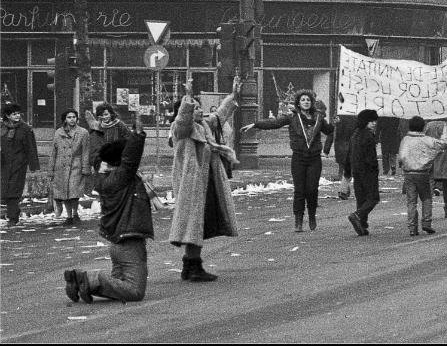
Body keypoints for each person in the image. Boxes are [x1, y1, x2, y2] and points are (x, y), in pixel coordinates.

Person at [64, 114, 152, 304]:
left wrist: (95, 131)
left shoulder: (103, 174)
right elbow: (130, 159)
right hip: (130, 242)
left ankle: (82, 283)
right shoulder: (121, 177)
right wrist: (138, 135)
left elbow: (97, 152)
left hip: (117, 242)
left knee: (119, 285)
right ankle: (88, 279)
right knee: (135, 292)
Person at [168, 77, 241, 282]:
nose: (201, 111)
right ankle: (193, 266)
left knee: (199, 222)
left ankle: (190, 264)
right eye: (197, 108)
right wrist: (188, 97)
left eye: (200, 108)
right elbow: (183, 119)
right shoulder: (181, 128)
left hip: (206, 182)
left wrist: (233, 95)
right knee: (193, 222)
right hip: (191, 185)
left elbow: (220, 115)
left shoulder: (204, 126)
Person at [241, 91, 335, 232]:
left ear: (312, 102)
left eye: (308, 100)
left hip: (314, 159)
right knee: (299, 190)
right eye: (303, 100)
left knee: (312, 189)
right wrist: (256, 124)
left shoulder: (319, 118)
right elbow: (275, 123)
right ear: (298, 103)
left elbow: (329, 131)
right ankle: (298, 220)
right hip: (298, 158)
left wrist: (336, 122)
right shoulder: (292, 117)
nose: (306, 102)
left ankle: (311, 215)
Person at [397, 116, 447, 236]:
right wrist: (445, 131)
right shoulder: (426, 140)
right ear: (423, 127)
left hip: (408, 174)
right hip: (423, 173)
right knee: (426, 198)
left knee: (411, 201)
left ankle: (412, 227)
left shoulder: (405, 140)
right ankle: (426, 222)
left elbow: (401, 156)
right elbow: (444, 144)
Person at [49, 110, 92, 226]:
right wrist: (51, 169)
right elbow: (54, 152)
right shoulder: (58, 132)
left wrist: (85, 167)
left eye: (74, 117)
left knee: (74, 192)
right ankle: (69, 216)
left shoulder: (83, 133)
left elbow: (86, 152)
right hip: (61, 167)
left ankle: (75, 214)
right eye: (69, 117)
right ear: (65, 119)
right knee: (65, 193)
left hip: (75, 166)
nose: (72, 119)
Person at [1, 103, 40, 226]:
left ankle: (13, 217)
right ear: (7, 115)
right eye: (14, 114)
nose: (17, 116)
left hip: (19, 164)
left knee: (14, 190)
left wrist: (33, 165)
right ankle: (14, 212)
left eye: (18, 113)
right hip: (4, 164)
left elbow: (31, 147)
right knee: (5, 191)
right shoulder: (2, 128)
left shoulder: (25, 129)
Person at [347, 109, 380, 236]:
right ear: (365, 121)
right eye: (371, 121)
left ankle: (362, 224)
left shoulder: (355, 134)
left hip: (356, 170)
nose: (374, 123)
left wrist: (348, 170)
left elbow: (350, 153)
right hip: (368, 171)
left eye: (375, 120)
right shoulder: (368, 135)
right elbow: (371, 157)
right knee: (373, 198)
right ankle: (358, 216)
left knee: (361, 198)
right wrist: (374, 169)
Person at [425, 119, 447, 219]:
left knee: (429, 185)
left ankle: (427, 211)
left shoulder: (428, 125)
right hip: (445, 158)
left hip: (432, 157)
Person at [85, 103, 132, 171]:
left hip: (117, 159)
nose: (104, 117)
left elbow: (129, 139)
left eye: (106, 114)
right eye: (101, 115)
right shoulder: (98, 127)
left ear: (111, 114)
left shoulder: (119, 125)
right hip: (102, 160)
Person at [324, 114, 357, 199]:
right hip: (351, 148)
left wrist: (326, 149)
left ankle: (345, 190)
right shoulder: (355, 119)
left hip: (339, 148)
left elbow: (331, 134)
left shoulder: (338, 119)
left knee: (345, 170)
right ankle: (343, 191)